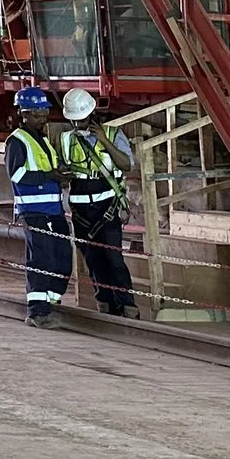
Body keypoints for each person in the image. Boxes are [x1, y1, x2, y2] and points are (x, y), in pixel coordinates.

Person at [58, 88, 136, 318]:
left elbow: (126, 165)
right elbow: (62, 167)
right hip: (81, 209)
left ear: (91, 115)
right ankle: (105, 304)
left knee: (114, 258)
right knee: (92, 259)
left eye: (81, 120)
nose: (78, 125)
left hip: (108, 207)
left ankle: (127, 306)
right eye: (74, 121)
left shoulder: (113, 135)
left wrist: (103, 140)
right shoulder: (66, 139)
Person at [5, 85, 72, 326]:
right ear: (23, 114)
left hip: (53, 211)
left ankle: (53, 300)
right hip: (34, 212)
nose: (43, 118)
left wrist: (59, 175)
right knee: (40, 259)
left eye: (44, 113)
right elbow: (18, 174)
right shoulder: (17, 141)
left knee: (62, 256)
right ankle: (37, 310)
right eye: (37, 114)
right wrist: (51, 176)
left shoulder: (42, 139)